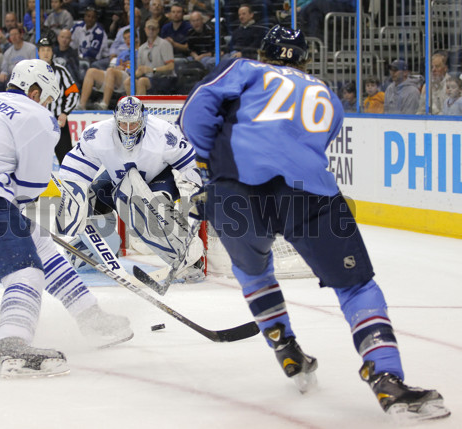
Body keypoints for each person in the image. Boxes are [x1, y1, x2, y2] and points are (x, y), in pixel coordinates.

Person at [179, 25, 450, 422]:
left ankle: (284, 347)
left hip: (234, 188)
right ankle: (386, 376)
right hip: (308, 191)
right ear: (306, 58)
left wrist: (204, 167)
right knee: (357, 286)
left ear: (264, 52)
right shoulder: (326, 94)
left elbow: (197, 108)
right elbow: (312, 142)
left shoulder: (245, 68)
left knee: (252, 270)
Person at [0, 59, 133, 377]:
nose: (46, 105)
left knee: (39, 242)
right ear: (34, 91)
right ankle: (13, 345)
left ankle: (91, 318)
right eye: (45, 98)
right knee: (26, 273)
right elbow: (30, 187)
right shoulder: (36, 115)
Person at [56, 96, 205, 282]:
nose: (127, 129)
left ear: (143, 120)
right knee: (92, 200)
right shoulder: (97, 134)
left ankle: (191, 260)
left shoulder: (163, 134)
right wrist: (72, 203)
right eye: (123, 124)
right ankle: (99, 252)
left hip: (159, 179)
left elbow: (191, 164)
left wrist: (196, 189)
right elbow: (75, 170)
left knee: (145, 207)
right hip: (120, 182)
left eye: (133, 124)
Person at [37, 38, 80, 163]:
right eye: (43, 50)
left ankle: (69, 182)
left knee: (67, 160)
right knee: (37, 160)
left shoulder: (61, 71)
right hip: (39, 121)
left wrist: (65, 112)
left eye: (48, 50)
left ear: (52, 52)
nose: (46, 53)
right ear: (38, 52)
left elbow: (73, 92)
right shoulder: (31, 72)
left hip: (58, 122)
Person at [80, 29, 133, 110]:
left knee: (110, 71)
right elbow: (115, 66)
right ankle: (82, 105)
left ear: (136, 38)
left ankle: (104, 104)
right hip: (117, 77)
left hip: (129, 77)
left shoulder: (140, 51)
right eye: (125, 38)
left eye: (129, 37)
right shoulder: (122, 54)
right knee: (91, 71)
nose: (127, 40)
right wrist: (117, 68)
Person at [123, 19, 176, 95]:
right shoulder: (142, 48)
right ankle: (132, 105)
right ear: (145, 30)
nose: (151, 31)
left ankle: (140, 106)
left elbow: (171, 66)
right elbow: (140, 69)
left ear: (158, 30)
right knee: (128, 81)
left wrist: (153, 70)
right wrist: (133, 75)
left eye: (153, 28)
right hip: (149, 77)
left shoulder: (164, 44)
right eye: (149, 28)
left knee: (142, 81)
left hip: (165, 77)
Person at [0, 27, 37, 92]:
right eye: (11, 35)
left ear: (21, 35)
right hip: (12, 78)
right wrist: (2, 74)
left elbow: (34, 66)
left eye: (15, 34)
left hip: (27, 77)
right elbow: (4, 70)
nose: (13, 37)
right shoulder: (7, 52)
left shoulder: (31, 49)